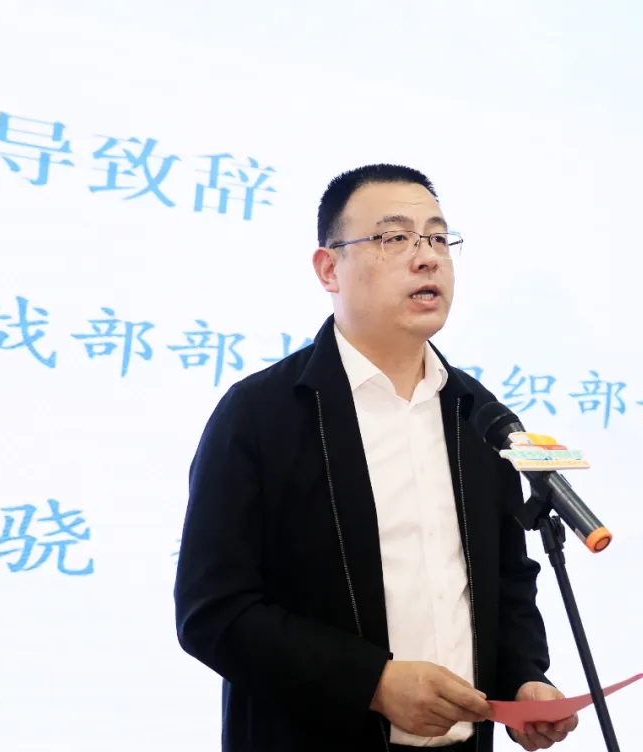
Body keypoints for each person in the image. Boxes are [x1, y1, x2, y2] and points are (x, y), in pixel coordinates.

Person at [174, 164, 578, 752]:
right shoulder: (260, 414)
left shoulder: (478, 413)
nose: (427, 258)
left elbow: (507, 582)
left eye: (438, 238)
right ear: (328, 268)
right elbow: (214, 613)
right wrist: (373, 683)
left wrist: (524, 677)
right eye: (395, 237)